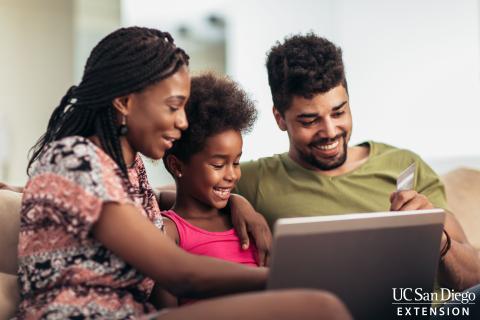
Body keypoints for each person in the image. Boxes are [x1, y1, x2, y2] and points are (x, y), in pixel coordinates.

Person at [16, 27, 352, 320]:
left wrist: (235, 202)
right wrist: (289, 275)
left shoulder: (125, 170)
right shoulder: (76, 158)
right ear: (124, 102)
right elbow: (178, 272)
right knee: (321, 309)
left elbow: (147, 203)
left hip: (133, 313)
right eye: (173, 106)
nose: (183, 122)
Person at [234, 33, 480, 294]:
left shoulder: (403, 164)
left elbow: (473, 278)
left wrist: (436, 238)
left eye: (339, 112)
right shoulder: (250, 181)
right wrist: (235, 201)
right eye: (309, 120)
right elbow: (192, 191)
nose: (330, 131)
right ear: (280, 118)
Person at [159, 74, 259, 305]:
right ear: (176, 165)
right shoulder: (168, 232)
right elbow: (165, 313)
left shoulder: (245, 221)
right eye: (218, 165)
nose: (232, 175)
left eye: (236, 162)